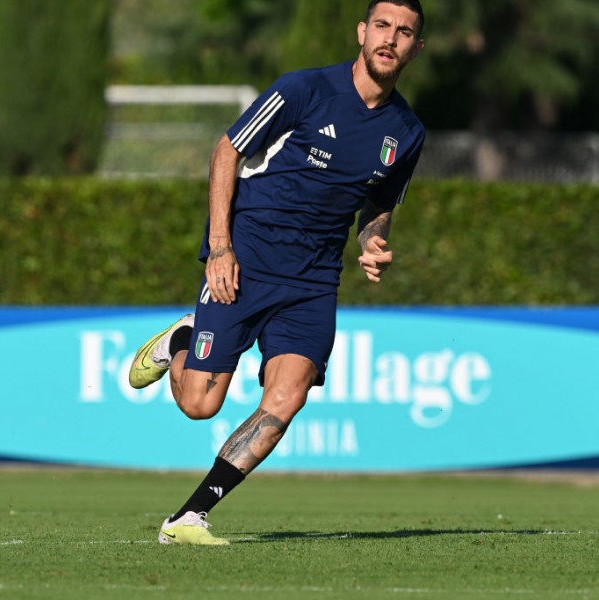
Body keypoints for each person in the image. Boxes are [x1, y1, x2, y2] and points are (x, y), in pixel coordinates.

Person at [129, 0, 426, 545]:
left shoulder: (406, 130)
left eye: (404, 32)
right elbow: (226, 151)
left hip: (313, 282)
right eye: (382, 26)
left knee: (286, 399)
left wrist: (374, 240)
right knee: (199, 405)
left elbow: (378, 205)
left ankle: (190, 516)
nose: (390, 39)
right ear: (362, 32)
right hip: (245, 261)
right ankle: (182, 339)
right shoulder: (304, 90)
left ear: (415, 47)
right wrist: (219, 248)